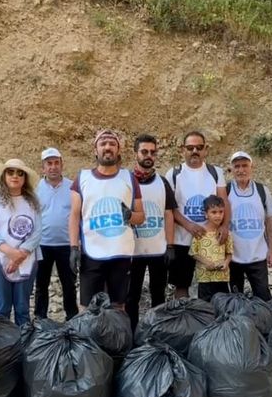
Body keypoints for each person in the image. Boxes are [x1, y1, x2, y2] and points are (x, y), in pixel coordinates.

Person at [69, 129, 144, 310]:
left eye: (112, 144)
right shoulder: (82, 178)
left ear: (118, 150)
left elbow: (141, 216)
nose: (107, 147)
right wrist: (73, 247)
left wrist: (131, 216)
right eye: (103, 144)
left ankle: (117, 339)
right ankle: (87, 339)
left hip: (120, 252)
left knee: (118, 306)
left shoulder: (129, 178)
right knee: (86, 307)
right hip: (92, 252)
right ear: (95, 150)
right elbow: (74, 215)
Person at [165, 131, 230, 298]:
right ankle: (184, 319)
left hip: (212, 241)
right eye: (190, 147)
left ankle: (213, 320)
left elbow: (224, 201)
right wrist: (188, 225)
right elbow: (170, 208)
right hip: (182, 240)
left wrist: (224, 226)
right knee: (181, 286)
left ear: (205, 149)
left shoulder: (216, 172)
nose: (195, 151)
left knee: (215, 284)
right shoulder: (173, 174)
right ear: (183, 150)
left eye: (199, 147)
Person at [125, 134, 177, 331]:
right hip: (133, 252)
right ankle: (131, 334)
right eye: (144, 151)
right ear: (135, 153)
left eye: (152, 152)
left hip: (158, 250)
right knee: (132, 296)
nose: (148, 156)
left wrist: (170, 245)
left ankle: (157, 333)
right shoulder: (126, 181)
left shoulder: (162, 182)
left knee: (158, 295)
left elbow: (169, 214)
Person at [0, 159, 42, 326]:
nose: (15, 176)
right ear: (3, 176)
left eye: (19, 173)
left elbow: (37, 232)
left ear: (25, 178)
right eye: (10, 172)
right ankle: (4, 347)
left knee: (23, 307)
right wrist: (11, 253)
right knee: (2, 307)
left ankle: (24, 343)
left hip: (27, 259)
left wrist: (20, 255)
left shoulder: (33, 203)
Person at [226, 151, 272, 301]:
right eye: (237, 166)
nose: (241, 170)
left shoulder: (262, 190)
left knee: (263, 297)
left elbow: (271, 220)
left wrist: (271, 249)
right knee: (236, 299)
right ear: (231, 169)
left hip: (258, 255)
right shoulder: (226, 191)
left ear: (251, 167)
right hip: (233, 257)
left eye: (244, 166)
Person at [34, 148, 78, 320]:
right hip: (42, 244)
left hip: (67, 245)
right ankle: (40, 318)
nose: (53, 167)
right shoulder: (35, 189)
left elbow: (78, 216)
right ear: (43, 167)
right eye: (49, 164)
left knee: (69, 285)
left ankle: (72, 318)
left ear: (62, 164)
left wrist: (77, 243)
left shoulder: (72, 187)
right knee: (41, 285)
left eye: (56, 163)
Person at [189, 195, 233, 302]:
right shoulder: (200, 232)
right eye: (214, 212)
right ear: (206, 214)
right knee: (206, 307)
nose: (218, 216)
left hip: (221, 277)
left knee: (223, 306)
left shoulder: (225, 233)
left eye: (221, 212)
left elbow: (229, 253)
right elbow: (193, 252)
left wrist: (226, 263)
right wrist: (206, 262)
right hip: (205, 278)